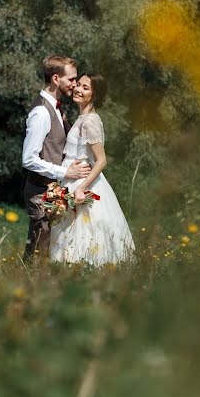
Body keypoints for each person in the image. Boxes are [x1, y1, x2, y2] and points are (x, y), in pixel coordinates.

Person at [50, 73, 135, 266]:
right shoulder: (82, 118)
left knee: (84, 235)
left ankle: (83, 276)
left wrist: (81, 189)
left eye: (85, 88)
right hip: (70, 180)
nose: (78, 89)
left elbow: (101, 160)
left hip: (82, 184)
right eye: (78, 84)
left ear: (94, 95)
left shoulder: (90, 121)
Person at [22, 55, 91, 262]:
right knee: (37, 254)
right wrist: (65, 172)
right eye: (71, 79)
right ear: (55, 79)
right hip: (39, 194)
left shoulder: (56, 108)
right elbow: (28, 159)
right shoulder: (42, 112)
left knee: (45, 254)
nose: (75, 84)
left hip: (52, 193)